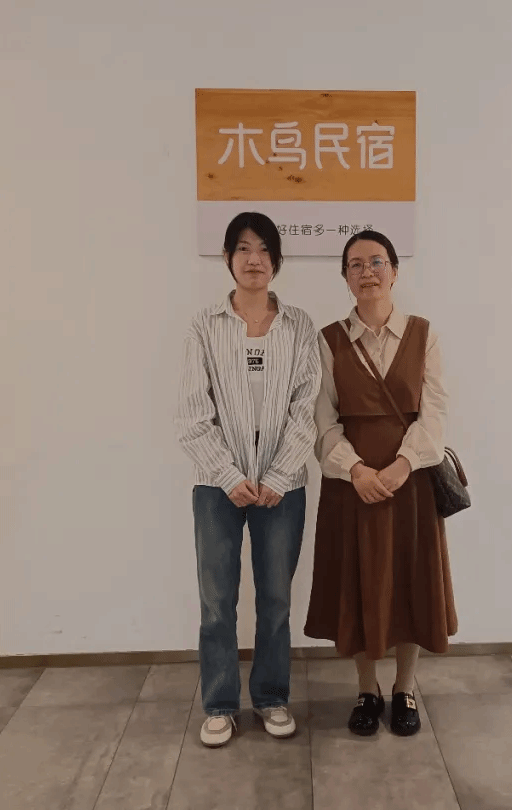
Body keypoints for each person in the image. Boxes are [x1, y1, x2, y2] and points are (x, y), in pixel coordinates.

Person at [175, 211, 320, 748]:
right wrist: (228, 474)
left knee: (276, 599)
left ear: (276, 260)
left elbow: (307, 407)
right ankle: (219, 704)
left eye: (263, 249)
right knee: (217, 600)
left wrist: (278, 475)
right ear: (228, 258)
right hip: (216, 486)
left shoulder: (299, 325)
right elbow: (192, 413)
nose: (253, 258)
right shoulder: (204, 326)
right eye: (242, 248)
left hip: (284, 486)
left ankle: (271, 696)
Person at [304, 229, 457, 737]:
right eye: (355, 264)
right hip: (352, 486)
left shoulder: (424, 335)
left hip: (410, 485)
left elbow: (434, 413)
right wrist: (355, 470)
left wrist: (402, 465)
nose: (366, 271)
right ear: (345, 277)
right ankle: (366, 689)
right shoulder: (328, 340)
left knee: (411, 583)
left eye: (376, 261)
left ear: (394, 271)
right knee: (359, 584)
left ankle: (404, 688)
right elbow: (323, 419)